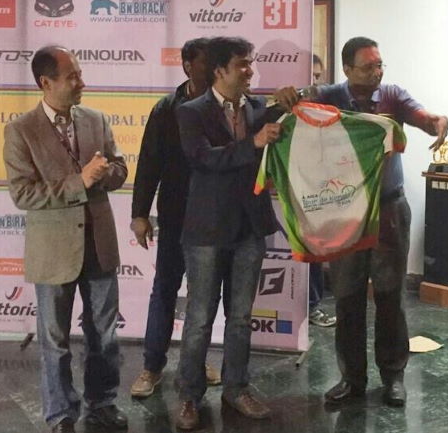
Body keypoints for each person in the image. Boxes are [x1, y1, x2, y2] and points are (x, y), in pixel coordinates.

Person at [274, 36, 448, 407]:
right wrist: (287, 96)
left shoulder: (393, 96)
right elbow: (289, 107)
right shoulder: (327, 97)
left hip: (388, 211)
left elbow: (423, 117)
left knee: (390, 297)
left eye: (380, 64)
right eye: (368, 66)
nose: (377, 72)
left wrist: (438, 122)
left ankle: (393, 377)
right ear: (347, 69)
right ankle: (351, 379)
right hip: (344, 212)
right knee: (348, 298)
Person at [3, 46, 128, 433]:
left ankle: (102, 402)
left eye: (80, 74)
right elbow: (24, 194)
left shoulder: (96, 119)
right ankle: (60, 414)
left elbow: (120, 168)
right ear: (46, 82)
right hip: (53, 253)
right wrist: (80, 182)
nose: (81, 82)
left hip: (99, 246)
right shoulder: (20, 130)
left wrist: (106, 174)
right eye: (72, 76)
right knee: (54, 340)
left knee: (104, 334)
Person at [173, 36, 282, 431]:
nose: (250, 71)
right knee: (200, 318)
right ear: (219, 70)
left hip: (249, 229)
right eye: (242, 65)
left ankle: (237, 388)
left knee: (240, 318)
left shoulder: (257, 108)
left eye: (250, 63)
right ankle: (189, 395)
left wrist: (295, 99)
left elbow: (281, 119)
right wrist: (252, 143)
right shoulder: (190, 112)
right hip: (206, 231)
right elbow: (202, 158)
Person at [129, 38, 221, 398]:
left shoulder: (223, 106)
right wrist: (140, 214)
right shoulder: (165, 109)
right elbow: (148, 163)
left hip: (213, 218)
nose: (212, 69)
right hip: (175, 216)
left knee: (203, 296)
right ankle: (152, 367)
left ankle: (195, 363)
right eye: (205, 63)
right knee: (165, 289)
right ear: (187, 66)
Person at [307, 53, 336, 328]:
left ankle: (313, 305)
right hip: (287, 190)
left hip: (318, 192)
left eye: (318, 76)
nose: (314, 81)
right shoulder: (282, 107)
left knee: (315, 252)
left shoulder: (328, 106)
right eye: (311, 75)